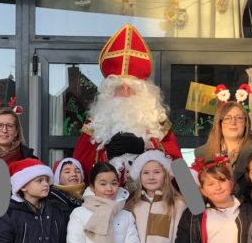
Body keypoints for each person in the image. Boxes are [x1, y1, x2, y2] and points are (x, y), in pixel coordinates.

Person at [72, 24, 180, 179]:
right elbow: (77, 174)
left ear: (145, 93)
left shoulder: (159, 125)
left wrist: (146, 147)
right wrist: (105, 155)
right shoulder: (93, 126)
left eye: (132, 88)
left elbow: (183, 176)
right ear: (108, 94)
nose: (126, 93)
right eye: (119, 88)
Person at [195, 100, 252, 192]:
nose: (233, 122)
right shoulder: (202, 153)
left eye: (239, 118)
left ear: (246, 123)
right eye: (227, 118)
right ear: (219, 123)